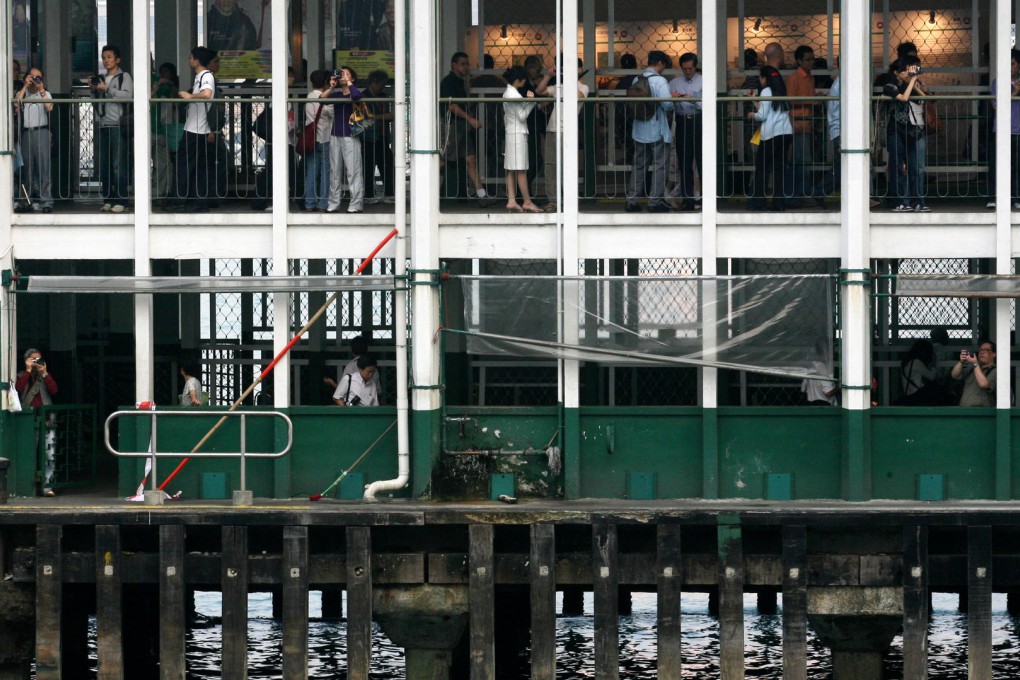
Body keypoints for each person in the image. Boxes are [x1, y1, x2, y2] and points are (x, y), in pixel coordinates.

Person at [624, 50, 674, 213]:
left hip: (639, 130)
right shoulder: (660, 81)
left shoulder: (637, 79)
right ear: (660, 63)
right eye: (664, 65)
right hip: (657, 130)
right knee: (660, 166)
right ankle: (655, 201)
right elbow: (667, 105)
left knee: (639, 165)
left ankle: (632, 201)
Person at [439, 53, 491, 204]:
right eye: (462, 64)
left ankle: (482, 196)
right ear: (453, 64)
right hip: (451, 125)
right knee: (443, 160)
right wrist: (470, 118)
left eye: (467, 64)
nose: (466, 67)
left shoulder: (462, 81)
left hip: (461, 125)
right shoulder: (449, 82)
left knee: (470, 159)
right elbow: (452, 105)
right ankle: (425, 190)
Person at [541, 58, 588, 213]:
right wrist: (549, 76)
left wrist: (569, 81)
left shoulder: (583, 87)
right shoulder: (559, 86)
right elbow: (539, 91)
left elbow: (579, 95)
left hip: (567, 132)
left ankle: (568, 200)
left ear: (579, 70)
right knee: (550, 166)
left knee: (567, 167)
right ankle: (553, 201)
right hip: (552, 129)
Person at [173, 46, 217, 212]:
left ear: (197, 60)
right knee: (197, 166)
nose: (189, 60)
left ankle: (180, 200)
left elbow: (206, 93)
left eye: (191, 57)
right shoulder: (201, 76)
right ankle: (197, 201)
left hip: (196, 129)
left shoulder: (206, 76)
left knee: (184, 165)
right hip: (196, 128)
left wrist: (190, 96)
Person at [883, 55, 930, 212]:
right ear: (896, 72)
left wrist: (916, 82)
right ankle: (901, 202)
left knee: (916, 168)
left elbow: (926, 98)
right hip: (896, 131)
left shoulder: (913, 84)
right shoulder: (890, 85)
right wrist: (912, 81)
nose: (907, 73)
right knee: (898, 167)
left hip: (913, 130)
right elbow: (903, 98)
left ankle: (918, 202)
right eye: (904, 71)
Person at [91, 44, 134, 213]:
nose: (106, 60)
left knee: (119, 164)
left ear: (117, 60)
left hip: (118, 125)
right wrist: (94, 89)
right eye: (103, 57)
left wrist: (107, 89)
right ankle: (108, 198)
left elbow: (128, 96)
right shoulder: (101, 78)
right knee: (105, 165)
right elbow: (97, 103)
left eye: (109, 57)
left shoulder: (124, 77)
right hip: (103, 125)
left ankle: (122, 200)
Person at [748, 66, 793, 211]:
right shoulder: (781, 89)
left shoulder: (766, 90)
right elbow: (771, 109)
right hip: (786, 133)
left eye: (760, 78)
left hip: (771, 135)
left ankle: (758, 201)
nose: (760, 81)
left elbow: (763, 115)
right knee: (779, 168)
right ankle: (779, 202)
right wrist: (756, 102)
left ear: (765, 78)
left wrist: (752, 114)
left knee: (761, 167)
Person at [15, 349, 58, 496]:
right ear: (26, 360)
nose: (36, 363)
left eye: (38, 359)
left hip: (46, 418)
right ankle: (29, 487)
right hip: (28, 420)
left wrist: (44, 373)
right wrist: (27, 371)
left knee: (49, 454)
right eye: (33, 360)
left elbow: (54, 390)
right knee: (29, 452)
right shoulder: (21, 375)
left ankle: (47, 487)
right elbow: (18, 389)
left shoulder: (44, 376)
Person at [785, 45, 821, 206]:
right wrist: (811, 101)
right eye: (807, 59)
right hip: (798, 125)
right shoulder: (794, 78)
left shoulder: (809, 77)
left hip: (806, 124)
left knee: (802, 161)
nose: (811, 62)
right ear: (799, 61)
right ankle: (801, 195)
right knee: (802, 162)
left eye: (812, 59)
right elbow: (789, 102)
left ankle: (798, 194)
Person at [14, 66, 54, 213]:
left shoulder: (45, 93)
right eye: (32, 77)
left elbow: (49, 107)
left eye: (38, 77)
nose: (35, 80)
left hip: (41, 131)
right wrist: (25, 86)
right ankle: (26, 201)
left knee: (44, 168)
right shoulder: (23, 94)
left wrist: (41, 89)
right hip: (26, 133)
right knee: (27, 170)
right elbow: (15, 104)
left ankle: (46, 201)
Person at [502, 66, 541, 213]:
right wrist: (531, 101)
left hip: (510, 132)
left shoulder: (507, 92)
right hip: (518, 134)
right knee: (521, 170)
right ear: (518, 80)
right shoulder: (515, 95)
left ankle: (511, 200)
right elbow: (522, 116)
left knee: (511, 169)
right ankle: (527, 201)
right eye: (523, 80)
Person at [326, 66, 365, 214]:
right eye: (341, 74)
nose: (342, 76)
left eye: (346, 74)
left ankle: (356, 204)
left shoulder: (354, 91)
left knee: (353, 170)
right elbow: (322, 100)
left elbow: (356, 96)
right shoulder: (336, 94)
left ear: (352, 78)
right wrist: (331, 86)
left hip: (351, 135)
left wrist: (349, 82)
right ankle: (333, 202)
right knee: (334, 171)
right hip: (335, 134)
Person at [668, 53, 702, 212]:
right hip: (682, 121)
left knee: (702, 162)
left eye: (690, 68)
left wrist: (692, 99)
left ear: (695, 66)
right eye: (685, 69)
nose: (688, 71)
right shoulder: (674, 83)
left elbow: (707, 105)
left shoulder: (703, 81)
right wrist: (673, 98)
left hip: (698, 120)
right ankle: (688, 200)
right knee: (685, 162)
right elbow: (668, 104)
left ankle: (703, 199)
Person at [990, 49, 1020, 211]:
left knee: (1016, 166)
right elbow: (996, 106)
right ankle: (993, 197)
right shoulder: (998, 82)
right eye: (1007, 64)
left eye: (1013, 64)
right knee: (997, 165)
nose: (1010, 67)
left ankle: (1015, 197)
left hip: (1018, 130)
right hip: (1001, 130)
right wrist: (1014, 92)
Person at [303, 69, 335, 212]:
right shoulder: (323, 99)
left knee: (311, 172)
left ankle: (310, 203)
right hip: (324, 138)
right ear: (326, 83)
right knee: (325, 172)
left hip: (311, 140)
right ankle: (323, 203)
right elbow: (330, 112)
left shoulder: (309, 97)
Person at [361, 70, 395, 205]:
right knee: (368, 166)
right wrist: (380, 117)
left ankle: (389, 193)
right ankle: (368, 194)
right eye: (381, 84)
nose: (382, 87)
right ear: (373, 83)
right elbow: (364, 119)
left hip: (382, 135)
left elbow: (390, 116)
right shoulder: (364, 96)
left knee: (387, 164)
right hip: (368, 137)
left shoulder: (383, 96)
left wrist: (375, 118)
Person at [151, 62, 181, 207]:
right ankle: (145, 193)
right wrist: (156, 87)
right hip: (150, 128)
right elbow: (149, 101)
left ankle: (160, 192)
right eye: (161, 72)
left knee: (163, 164)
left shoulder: (170, 87)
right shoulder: (152, 82)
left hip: (165, 129)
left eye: (167, 72)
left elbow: (176, 99)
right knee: (146, 164)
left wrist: (170, 84)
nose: (163, 75)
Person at [951, 340, 996, 407]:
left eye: (986, 350)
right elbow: (954, 375)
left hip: (981, 414)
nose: (981, 352)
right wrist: (961, 362)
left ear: (994, 354)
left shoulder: (996, 370)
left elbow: (983, 384)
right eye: (980, 350)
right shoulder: (972, 368)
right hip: (964, 411)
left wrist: (975, 364)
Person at [801, 339, 837, 406]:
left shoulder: (811, 367)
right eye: (829, 349)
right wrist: (839, 387)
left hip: (811, 406)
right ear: (824, 352)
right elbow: (828, 392)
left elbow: (803, 389)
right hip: (825, 407)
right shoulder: (823, 368)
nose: (833, 352)